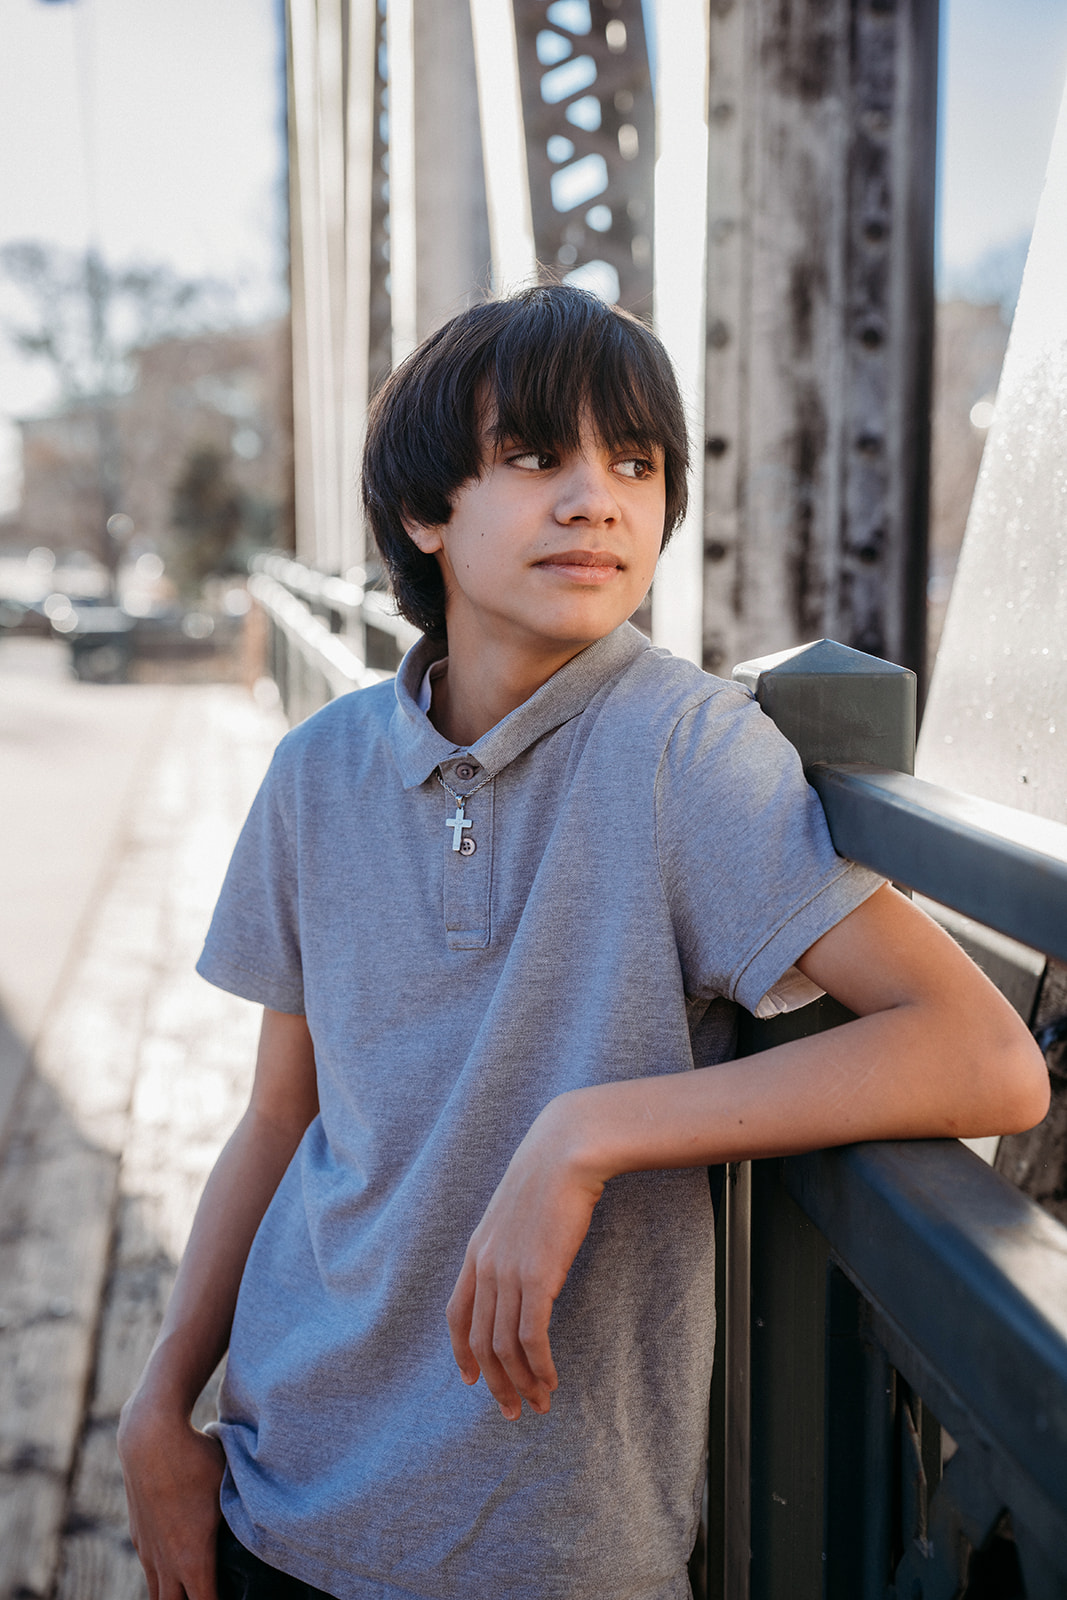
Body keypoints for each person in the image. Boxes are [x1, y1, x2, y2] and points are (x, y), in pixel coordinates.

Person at [118, 285, 1048, 1600]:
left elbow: (988, 1060)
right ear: (426, 513)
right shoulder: (316, 774)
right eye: (537, 456)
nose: (596, 498)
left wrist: (589, 1131)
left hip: (541, 1546)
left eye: (635, 463)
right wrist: (159, 1407)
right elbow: (282, 1118)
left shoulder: (683, 752)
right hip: (281, 1494)